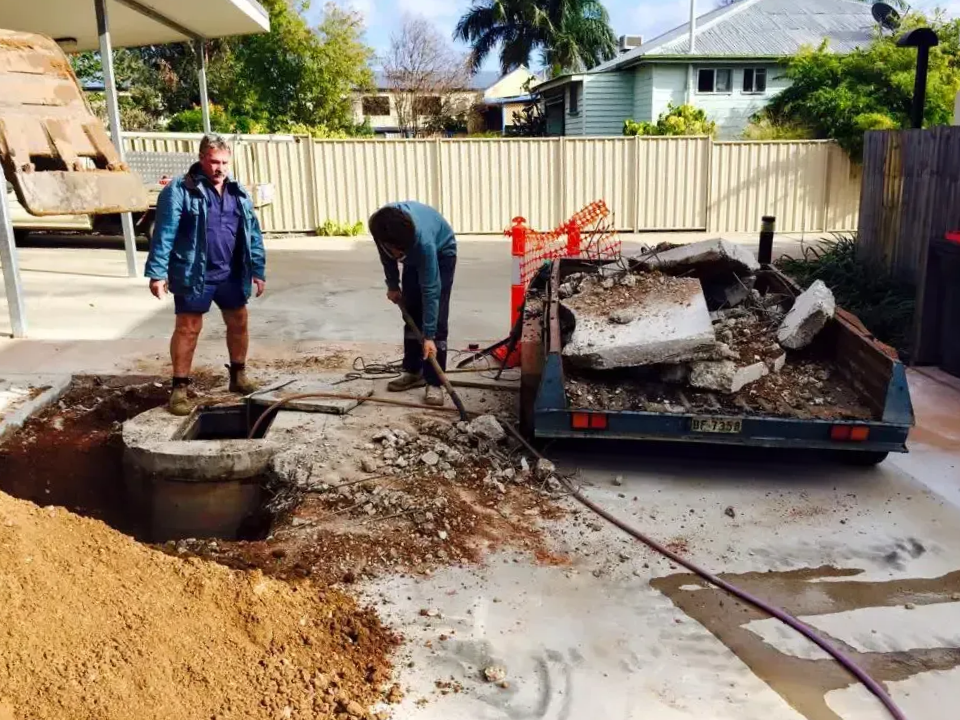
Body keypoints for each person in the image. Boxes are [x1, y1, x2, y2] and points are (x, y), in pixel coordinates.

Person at [144, 133, 267, 416]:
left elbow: (253, 234)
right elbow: (164, 234)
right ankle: (179, 388)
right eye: (214, 162)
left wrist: (258, 269)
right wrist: (157, 273)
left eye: (224, 162)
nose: (220, 168)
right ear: (201, 159)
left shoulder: (238, 192)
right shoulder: (179, 190)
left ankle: (238, 376)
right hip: (194, 272)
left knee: (239, 321)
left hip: (232, 273)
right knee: (188, 328)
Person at [369, 201, 457, 407]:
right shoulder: (380, 226)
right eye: (398, 253)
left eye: (402, 254)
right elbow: (386, 257)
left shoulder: (424, 244)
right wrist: (392, 284)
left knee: (436, 317)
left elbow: (431, 291)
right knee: (411, 309)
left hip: (442, 252)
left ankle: (434, 382)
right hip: (411, 250)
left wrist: (429, 336)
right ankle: (413, 370)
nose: (398, 258)